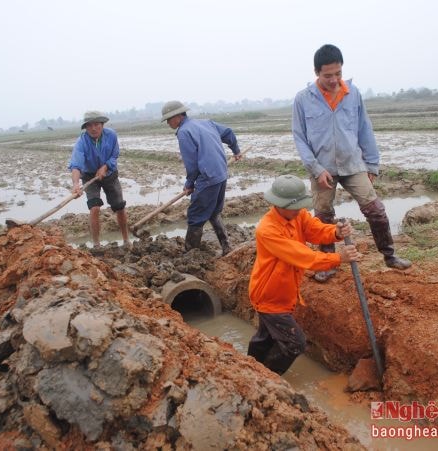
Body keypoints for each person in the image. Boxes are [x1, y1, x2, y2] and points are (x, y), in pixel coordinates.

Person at [292, 44, 411, 282]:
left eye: (338, 73)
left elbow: (364, 128)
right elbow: (300, 138)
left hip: (353, 164)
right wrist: (316, 169)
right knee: (323, 216)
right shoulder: (303, 99)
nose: (334, 80)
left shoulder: (353, 93)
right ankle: (327, 264)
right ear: (317, 73)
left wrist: (372, 164)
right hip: (322, 168)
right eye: (328, 75)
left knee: (375, 210)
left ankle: (389, 255)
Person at [247, 174, 362, 375]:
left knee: (266, 337)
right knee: (295, 343)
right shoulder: (267, 230)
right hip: (269, 296)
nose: (301, 209)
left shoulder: (297, 215)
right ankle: (268, 378)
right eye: (296, 206)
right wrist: (337, 258)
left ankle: (249, 367)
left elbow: (315, 230)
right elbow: (303, 256)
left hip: (285, 291)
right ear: (280, 204)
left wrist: (335, 232)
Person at [161, 100, 242, 255]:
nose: (168, 123)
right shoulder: (206, 123)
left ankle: (191, 255)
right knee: (213, 212)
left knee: (195, 216)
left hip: (208, 177)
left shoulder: (184, 132)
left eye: (169, 119)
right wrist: (236, 150)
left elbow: (192, 164)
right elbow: (228, 133)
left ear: (178, 116)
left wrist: (189, 183)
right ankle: (226, 247)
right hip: (221, 174)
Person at [68, 110, 129, 249]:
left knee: (119, 206)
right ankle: (96, 245)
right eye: (89, 125)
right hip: (89, 176)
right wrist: (76, 184)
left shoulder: (111, 135)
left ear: (102, 125)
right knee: (94, 208)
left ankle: (126, 240)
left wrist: (105, 167)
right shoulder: (81, 142)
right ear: (86, 128)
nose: (93, 128)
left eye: (96, 124)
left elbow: (114, 155)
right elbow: (76, 165)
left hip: (110, 174)